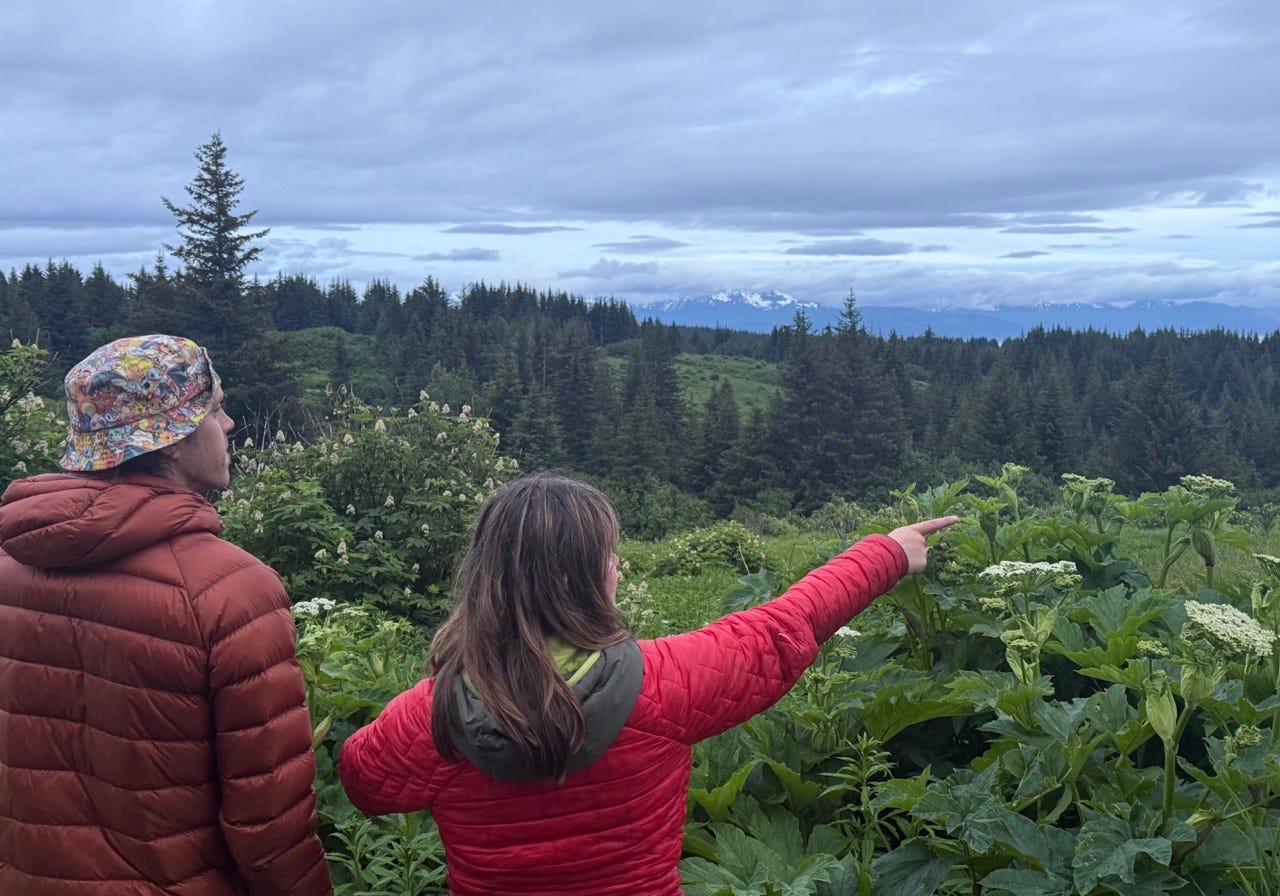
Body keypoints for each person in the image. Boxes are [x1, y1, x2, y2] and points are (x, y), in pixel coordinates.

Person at [338, 472, 956, 896]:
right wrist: (889, 553)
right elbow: (783, 627)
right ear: (590, 579)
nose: (617, 566)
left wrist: (443, 680)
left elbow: (362, 782)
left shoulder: (432, 717)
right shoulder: (668, 684)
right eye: (608, 555)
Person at [0, 334, 332, 896]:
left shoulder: (11, 564)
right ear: (170, 439)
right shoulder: (231, 592)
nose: (228, 425)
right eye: (215, 408)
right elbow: (269, 819)